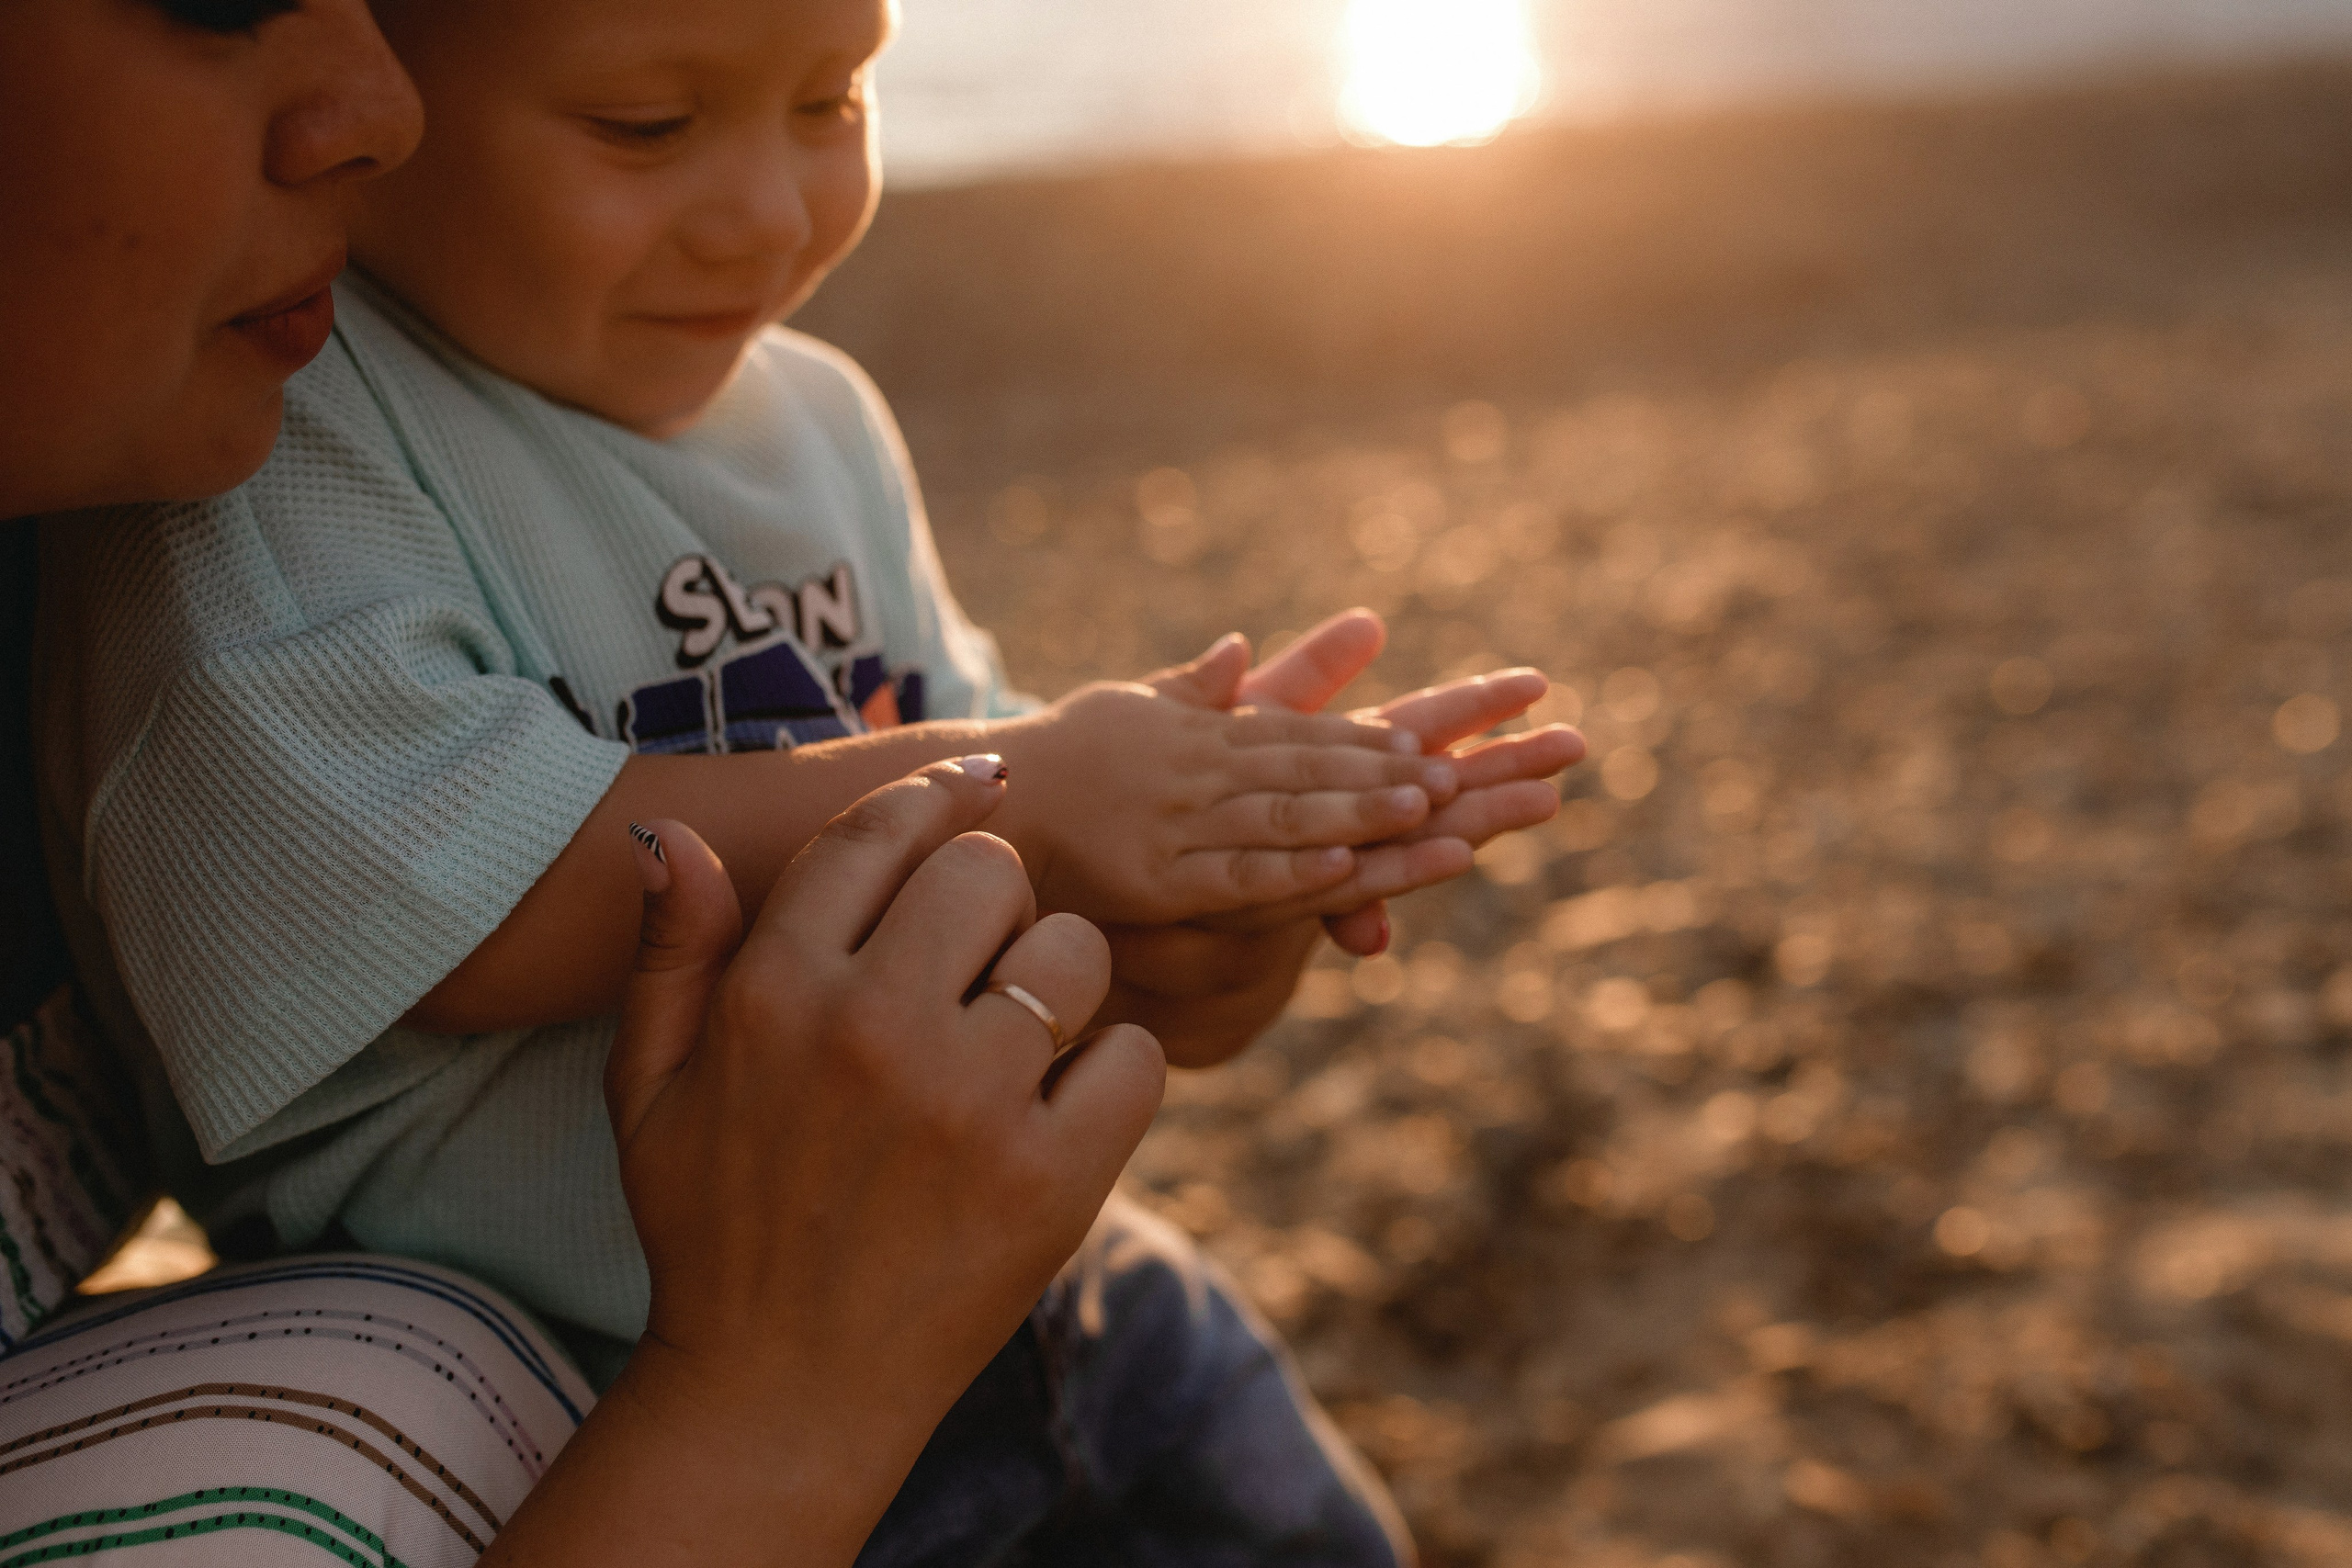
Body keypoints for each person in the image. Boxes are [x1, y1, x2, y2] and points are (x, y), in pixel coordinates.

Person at [32, 0, 1586, 1557]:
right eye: (647, 126)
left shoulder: (821, 417)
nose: (772, 214)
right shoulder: (283, 424)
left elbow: (1033, 897)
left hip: (1061, 1300)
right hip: (628, 1414)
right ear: (392, 90)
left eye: (833, 101)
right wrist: (1042, 791)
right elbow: (421, 896)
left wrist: (1213, 896)